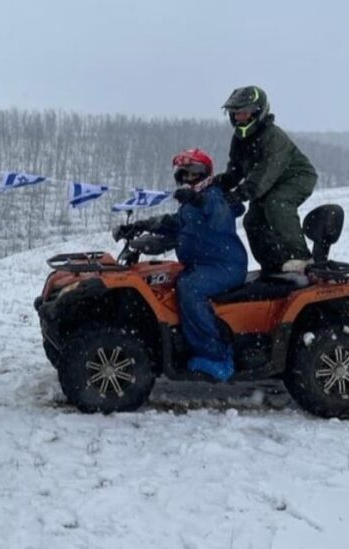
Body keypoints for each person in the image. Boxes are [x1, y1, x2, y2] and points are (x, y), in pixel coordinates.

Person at [115, 149, 248, 381]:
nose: (188, 178)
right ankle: (180, 342)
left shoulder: (215, 196)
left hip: (224, 266)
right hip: (202, 264)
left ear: (205, 174)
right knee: (167, 283)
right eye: (183, 174)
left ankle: (216, 355)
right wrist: (140, 226)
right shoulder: (190, 204)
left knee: (190, 288)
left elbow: (219, 217)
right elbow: (175, 223)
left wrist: (198, 200)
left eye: (194, 173)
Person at [210, 85, 317, 274]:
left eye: (244, 113)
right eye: (236, 113)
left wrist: (240, 194)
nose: (239, 118)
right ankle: (274, 265)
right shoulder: (239, 139)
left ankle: (301, 257)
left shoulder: (273, 137)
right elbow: (235, 170)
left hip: (296, 177)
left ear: (257, 112)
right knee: (252, 220)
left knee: (277, 204)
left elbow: (264, 174)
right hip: (269, 183)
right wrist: (216, 184)